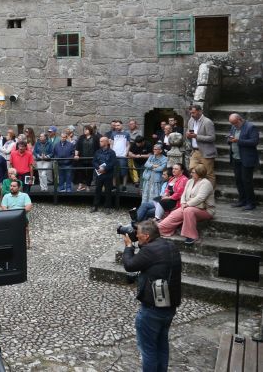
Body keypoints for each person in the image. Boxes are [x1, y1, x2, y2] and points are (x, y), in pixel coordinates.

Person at [121, 219, 182, 372]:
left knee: (148, 350)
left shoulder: (150, 251)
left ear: (147, 236)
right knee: (161, 345)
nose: (136, 235)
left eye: (138, 233)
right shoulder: (170, 246)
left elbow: (130, 265)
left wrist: (128, 247)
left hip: (152, 308)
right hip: (169, 306)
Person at [158, 165, 215, 244]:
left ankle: (192, 236)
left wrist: (187, 204)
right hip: (187, 207)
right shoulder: (190, 181)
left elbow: (200, 198)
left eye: (193, 173)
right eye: (191, 172)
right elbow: (183, 195)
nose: (191, 174)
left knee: (188, 211)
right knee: (173, 215)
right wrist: (183, 203)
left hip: (205, 210)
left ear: (200, 173)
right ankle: (159, 229)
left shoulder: (206, 183)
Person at [228, 113, 260, 210]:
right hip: (235, 157)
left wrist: (238, 141)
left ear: (240, 120)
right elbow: (230, 137)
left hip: (246, 159)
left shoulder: (251, 127)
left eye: (235, 123)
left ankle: (251, 203)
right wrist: (229, 140)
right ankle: (242, 200)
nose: (234, 125)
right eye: (232, 123)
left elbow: (254, 142)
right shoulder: (233, 127)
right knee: (238, 180)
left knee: (247, 181)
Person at [187, 104, 217, 185]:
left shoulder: (207, 122)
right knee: (192, 170)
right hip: (195, 151)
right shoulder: (191, 121)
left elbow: (212, 138)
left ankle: (210, 192)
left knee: (208, 174)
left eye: (193, 113)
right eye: (190, 113)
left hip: (206, 152)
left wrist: (196, 136)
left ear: (200, 111)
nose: (191, 115)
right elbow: (189, 133)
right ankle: (196, 190)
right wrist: (188, 135)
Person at [0, 180, 33, 247]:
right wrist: (13, 215)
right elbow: (3, 208)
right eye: (11, 186)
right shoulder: (6, 196)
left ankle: (25, 243)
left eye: (14, 186)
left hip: (21, 217)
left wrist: (17, 214)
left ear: (19, 188)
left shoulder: (24, 195)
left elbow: (28, 207)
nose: (11, 188)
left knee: (23, 220)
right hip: (10, 217)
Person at [92, 137, 118, 213]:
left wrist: (105, 169)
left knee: (108, 191)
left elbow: (113, 163)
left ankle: (107, 207)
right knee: (97, 190)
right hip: (99, 174)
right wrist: (98, 168)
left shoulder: (112, 152)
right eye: (100, 141)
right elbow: (94, 161)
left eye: (101, 141)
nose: (99, 142)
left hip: (108, 174)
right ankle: (95, 206)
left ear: (106, 142)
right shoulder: (97, 151)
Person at [75, 125, 100, 191]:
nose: (85, 130)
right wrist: (76, 155)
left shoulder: (95, 137)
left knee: (90, 172)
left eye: (86, 129)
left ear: (90, 130)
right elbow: (77, 147)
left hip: (91, 158)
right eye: (84, 129)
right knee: (81, 171)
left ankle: (88, 185)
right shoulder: (81, 137)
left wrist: (97, 157)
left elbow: (98, 148)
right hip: (82, 158)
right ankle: (81, 184)